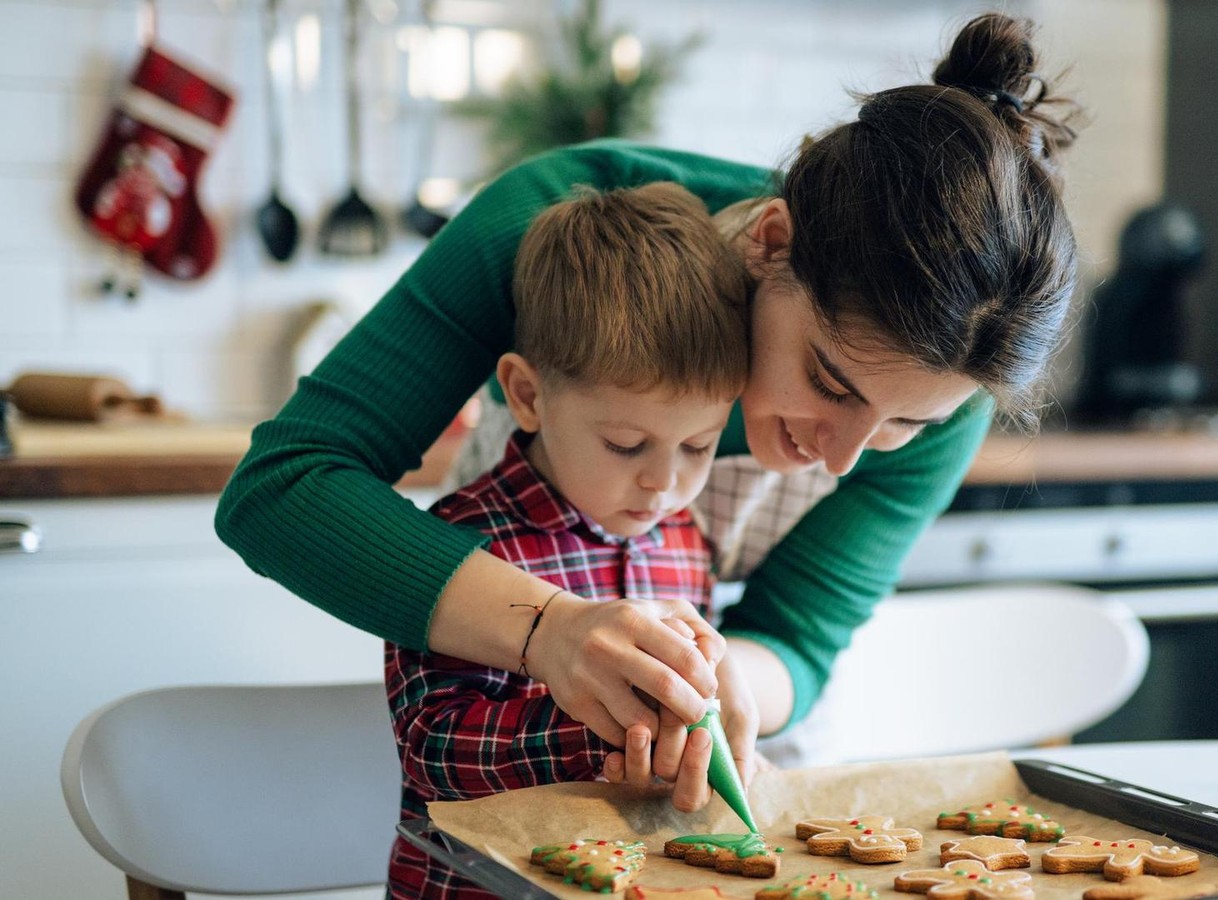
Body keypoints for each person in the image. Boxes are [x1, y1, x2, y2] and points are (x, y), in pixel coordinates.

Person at [216, 12, 1081, 812]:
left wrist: (713, 686)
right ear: (770, 242)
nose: (846, 457)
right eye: (831, 381)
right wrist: (550, 632)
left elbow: (800, 636)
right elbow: (284, 488)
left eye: (905, 425)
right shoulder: (551, 231)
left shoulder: (952, 379)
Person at [386, 182, 748, 899]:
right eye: (625, 444)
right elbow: (432, 750)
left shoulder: (683, 538)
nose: (664, 484)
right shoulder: (463, 545)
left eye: (699, 447)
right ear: (526, 395)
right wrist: (603, 724)